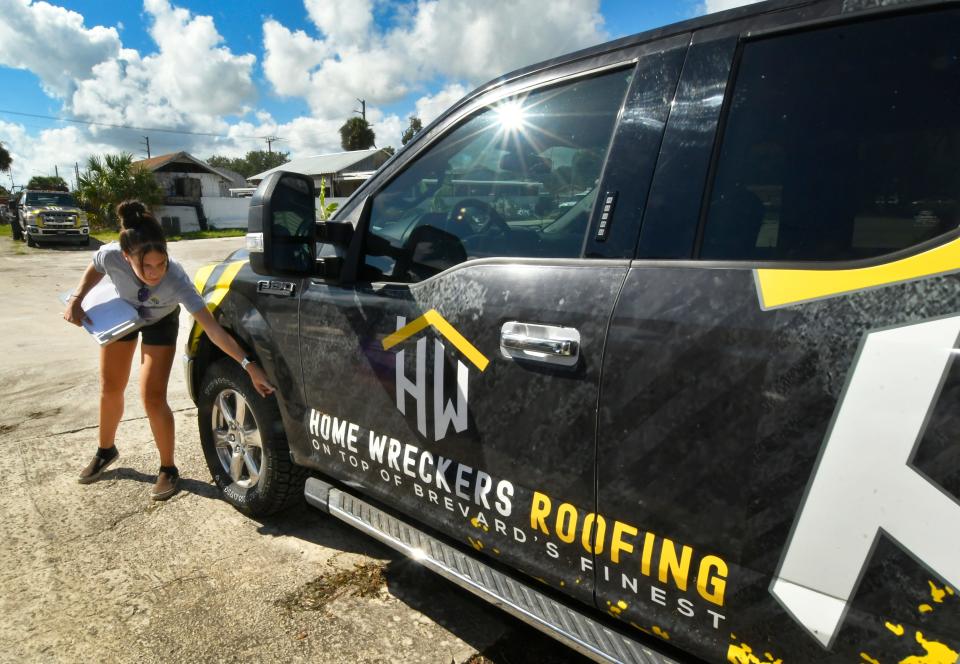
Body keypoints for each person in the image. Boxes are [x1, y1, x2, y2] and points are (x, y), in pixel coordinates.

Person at [63, 200, 274, 500]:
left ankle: (168, 469)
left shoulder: (176, 279)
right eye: (145, 266)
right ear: (126, 257)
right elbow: (95, 266)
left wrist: (249, 366)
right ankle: (105, 450)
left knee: (152, 396)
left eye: (160, 263)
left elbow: (213, 330)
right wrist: (76, 297)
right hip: (123, 316)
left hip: (160, 321)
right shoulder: (112, 255)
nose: (154, 273)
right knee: (110, 388)